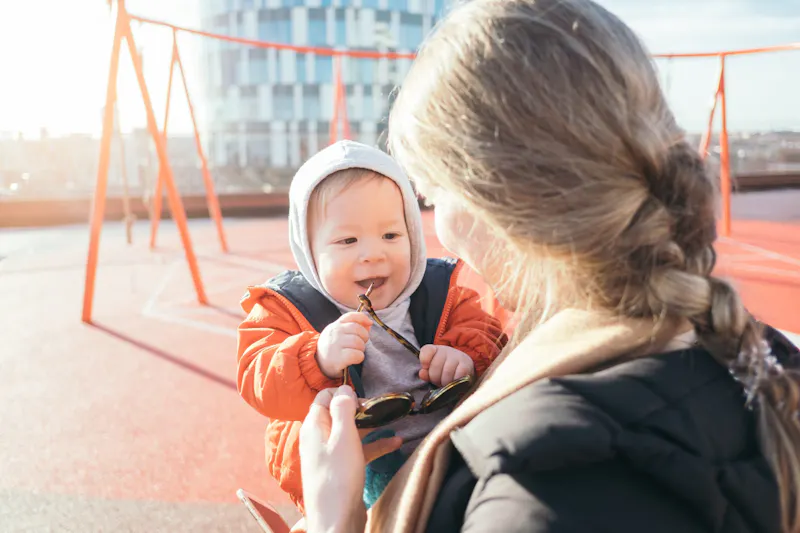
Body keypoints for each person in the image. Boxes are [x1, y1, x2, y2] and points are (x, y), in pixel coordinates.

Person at [297, 0, 800, 532]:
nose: (438, 227)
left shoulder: (539, 483)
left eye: (432, 194)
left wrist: (338, 521)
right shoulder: (763, 356)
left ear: (496, 200)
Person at [236, 140, 507, 513]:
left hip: (447, 448)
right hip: (354, 468)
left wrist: (465, 357)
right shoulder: (287, 308)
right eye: (347, 240)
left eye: (391, 235)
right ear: (309, 251)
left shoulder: (439, 291)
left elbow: (488, 334)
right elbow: (257, 377)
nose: (373, 253)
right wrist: (315, 357)